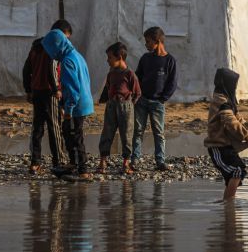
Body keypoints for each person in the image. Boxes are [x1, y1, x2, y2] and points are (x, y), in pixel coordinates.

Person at [42, 28, 94, 179]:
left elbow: (73, 89)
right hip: (84, 101)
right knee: (70, 132)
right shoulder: (77, 56)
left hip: (76, 105)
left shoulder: (67, 61)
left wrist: (69, 110)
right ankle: (73, 163)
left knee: (74, 135)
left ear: (56, 46)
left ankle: (82, 170)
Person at [22, 19, 72, 174]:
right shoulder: (53, 46)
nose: (66, 42)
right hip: (50, 93)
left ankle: (35, 163)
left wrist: (28, 90)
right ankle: (59, 161)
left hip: (36, 91)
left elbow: (26, 69)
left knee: (37, 128)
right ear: (60, 34)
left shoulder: (36, 46)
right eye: (66, 37)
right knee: (54, 127)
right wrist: (56, 89)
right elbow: (51, 69)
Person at [203, 68, 248, 200]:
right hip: (218, 147)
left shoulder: (227, 100)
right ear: (228, 84)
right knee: (237, 171)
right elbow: (230, 120)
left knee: (235, 174)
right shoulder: (221, 101)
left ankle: (228, 205)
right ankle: (228, 205)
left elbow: (238, 119)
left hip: (227, 146)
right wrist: (246, 136)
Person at [131, 27, 177, 171]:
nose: (146, 44)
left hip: (157, 103)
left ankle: (160, 161)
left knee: (159, 132)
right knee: (138, 130)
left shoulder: (169, 60)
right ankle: (135, 159)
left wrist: (163, 98)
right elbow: (137, 77)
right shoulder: (145, 58)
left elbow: (172, 83)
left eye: (148, 41)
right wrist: (136, 94)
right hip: (142, 101)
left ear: (157, 41)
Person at [97, 42, 141, 175]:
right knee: (107, 133)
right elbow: (108, 87)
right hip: (111, 106)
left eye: (110, 57)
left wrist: (130, 104)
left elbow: (137, 93)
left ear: (120, 57)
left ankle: (126, 162)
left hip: (125, 106)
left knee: (126, 134)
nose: (108, 60)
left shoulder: (130, 74)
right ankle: (103, 161)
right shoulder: (111, 73)